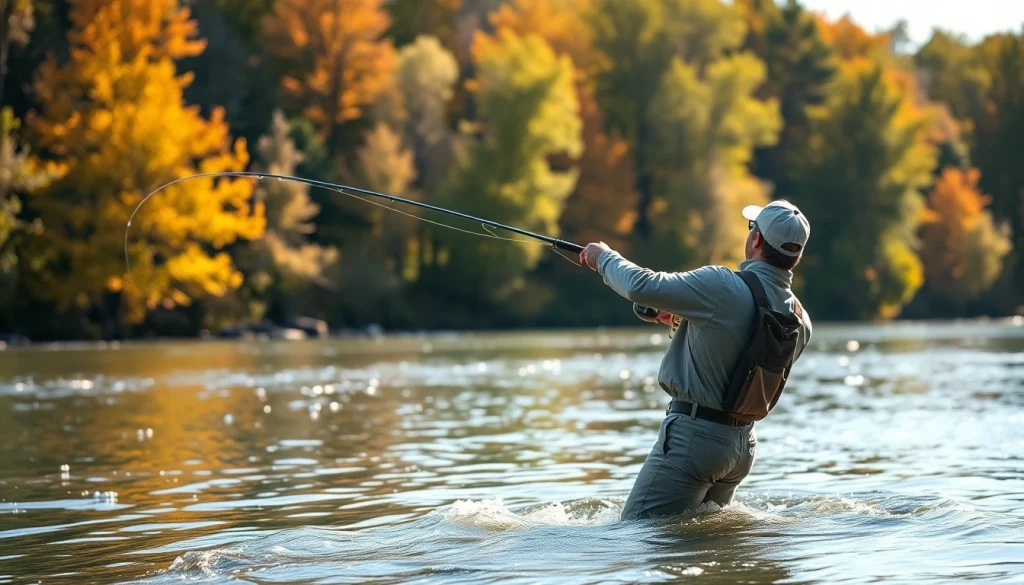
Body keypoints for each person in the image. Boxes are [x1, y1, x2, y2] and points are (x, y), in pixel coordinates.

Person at [579, 200, 813, 520]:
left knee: (635, 532)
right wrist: (682, 322)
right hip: (742, 447)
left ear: (756, 240)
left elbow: (641, 286)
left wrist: (603, 258)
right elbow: (741, 357)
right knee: (703, 544)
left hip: (694, 439)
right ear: (795, 255)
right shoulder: (801, 319)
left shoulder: (721, 285)